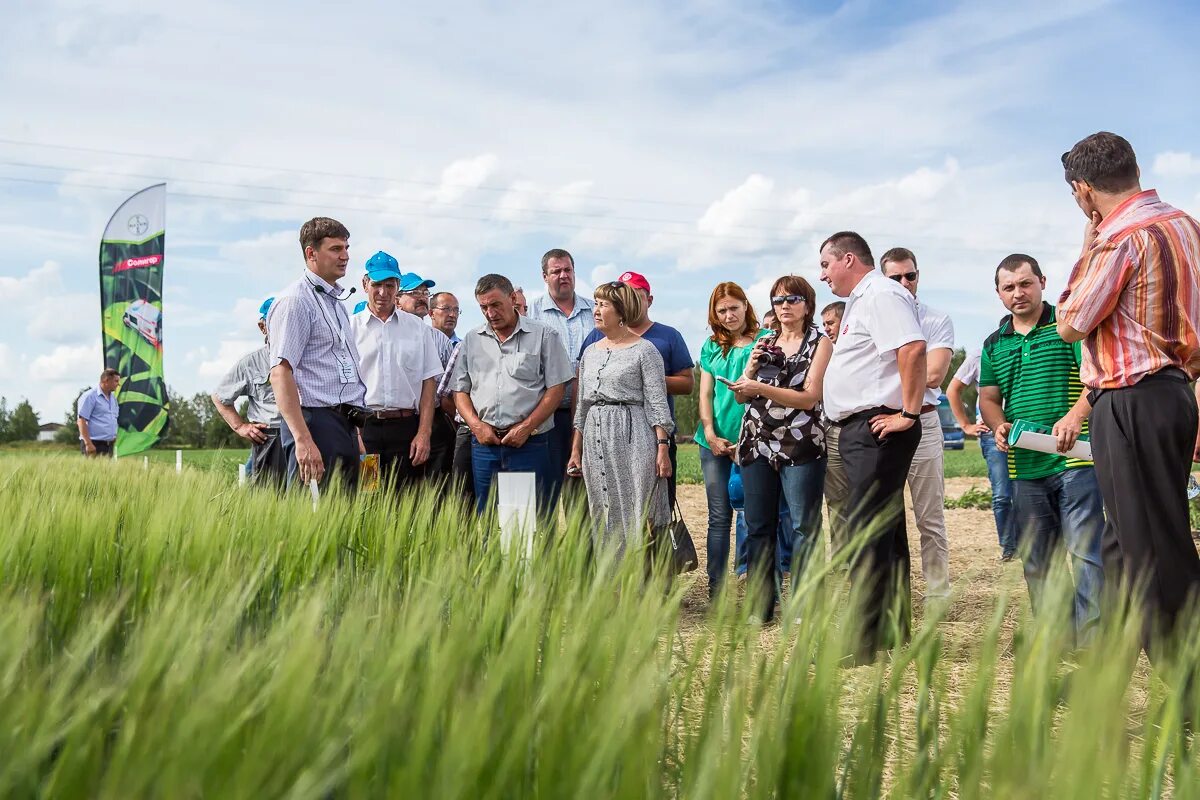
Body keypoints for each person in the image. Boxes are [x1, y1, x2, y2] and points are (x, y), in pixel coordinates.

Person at [1056, 131, 1200, 650]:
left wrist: (1085, 250)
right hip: (1174, 394)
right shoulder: (1187, 226)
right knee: (1123, 542)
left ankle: (1189, 689)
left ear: (1085, 191)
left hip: (1129, 400)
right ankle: (1105, 676)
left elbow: (1070, 323)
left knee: (1155, 550)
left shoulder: (1120, 240)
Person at [978, 254, 1104, 644]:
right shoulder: (994, 343)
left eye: (1025, 283)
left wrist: (1074, 418)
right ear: (999, 294)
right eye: (1009, 287)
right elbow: (988, 398)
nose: (1018, 293)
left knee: (1086, 556)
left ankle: (1094, 645)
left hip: (1077, 459)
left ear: (1042, 282)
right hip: (1024, 466)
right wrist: (998, 426)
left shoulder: (1068, 328)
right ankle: (1058, 639)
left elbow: (1096, 379)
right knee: (1039, 561)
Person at [820, 231, 927, 661]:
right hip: (862, 428)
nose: (823, 274)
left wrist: (910, 413)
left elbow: (913, 348)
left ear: (848, 259)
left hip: (878, 427)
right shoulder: (859, 301)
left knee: (865, 532)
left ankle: (862, 643)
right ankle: (892, 629)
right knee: (885, 532)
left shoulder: (881, 294)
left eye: (826, 264)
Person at [728, 276, 831, 623]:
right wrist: (751, 371)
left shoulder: (820, 343)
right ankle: (760, 607)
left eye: (793, 298)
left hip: (801, 443)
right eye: (778, 299)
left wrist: (758, 386)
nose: (784, 305)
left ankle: (803, 606)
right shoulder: (765, 341)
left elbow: (809, 397)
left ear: (808, 305)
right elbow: (743, 394)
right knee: (758, 525)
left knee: (803, 526)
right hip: (757, 441)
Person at [453, 274, 574, 516]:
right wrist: (476, 426)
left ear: (512, 299)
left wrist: (526, 428)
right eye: (483, 307)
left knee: (525, 524)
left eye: (495, 305)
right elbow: (460, 390)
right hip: (485, 445)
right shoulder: (472, 339)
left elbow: (556, 388)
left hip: (530, 444)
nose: (490, 313)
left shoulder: (544, 335)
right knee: (487, 519)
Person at [569, 281, 673, 558]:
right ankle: (611, 584)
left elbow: (657, 402)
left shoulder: (645, 350)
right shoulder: (590, 352)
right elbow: (582, 404)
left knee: (638, 507)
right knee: (602, 507)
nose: (596, 309)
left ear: (621, 310)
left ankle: (642, 584)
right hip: (595, 435)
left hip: (633, 433)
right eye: (595, 302)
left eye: (603, 304)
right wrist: (575, 448)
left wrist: (662, 447)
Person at [267, 217, 368, 490]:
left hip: (343, 422)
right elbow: (280, 373)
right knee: (312, 518)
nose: (345, 256)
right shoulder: (295, 301)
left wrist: (353, 432)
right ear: (311, 253)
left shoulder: (336, 302)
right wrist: (303, 439)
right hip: (313, 422)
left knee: (344, 515)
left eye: (347, 248)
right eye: (336, 249)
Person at [579, 271, 693, 506]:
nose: (598, 310)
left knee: (646, 505)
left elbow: (686, 384)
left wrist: (641, 381)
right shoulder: (594, 341)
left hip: (642, 431)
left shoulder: (664, 338)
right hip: (599, 434)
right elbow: (584, 393)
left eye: (635, 293)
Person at [880, 248, 954, 598]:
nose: (905, 282)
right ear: (884, 280)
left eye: (910, 275)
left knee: (930, 517)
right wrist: (911, 370)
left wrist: (885, 376)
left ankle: (938, 592)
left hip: (923, 421)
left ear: (918, 275)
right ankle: (895, 593)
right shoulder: (872, 317)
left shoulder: (936, 319)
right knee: (886, 517)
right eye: (895, 278)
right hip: (882, 424)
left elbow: (936, 375)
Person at [695, 282, 767, 597]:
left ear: (745, 305)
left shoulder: (765, 340)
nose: (728, 315)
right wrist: (709, 433)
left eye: (733, 308)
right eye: (721, 310)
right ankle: (715, 588)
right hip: (714, 440)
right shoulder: (712, 346)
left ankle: (754, 582)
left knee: (754, 513)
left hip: (752, 438)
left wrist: (746, 440)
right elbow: (706, 393)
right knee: (719, 515)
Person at [351, 251, 443, 493]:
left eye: (390, 285)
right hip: (365, 432)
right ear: (364, 284)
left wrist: (424, 433)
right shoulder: (349, 329)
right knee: (367, 499)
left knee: (406, 502)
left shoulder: (418, 330)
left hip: (406, 433)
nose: (383, 292)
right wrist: (355, 435)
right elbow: (344, 386)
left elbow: (429, 383)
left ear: (398, 286)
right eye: (377, 284)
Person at [527, 248, 596, 514]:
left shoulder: (595, 311)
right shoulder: (530, 313)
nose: (563, 276)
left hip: (587, 416)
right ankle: (545, 553)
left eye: (568, 270)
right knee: (544, 492)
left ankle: (579, 554)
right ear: (545, 276)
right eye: (556, 271)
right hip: (546, 415)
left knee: (580, 496)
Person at [947, 349, 1016, 561]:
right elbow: (953, 390)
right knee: (1002, 493)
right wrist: (965, 425)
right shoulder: (980, 355)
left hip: (1026, 429)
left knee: (1028, 489)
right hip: (991, 432)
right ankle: (1009, 548)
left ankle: (1033, 543)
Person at [211, 297, 286, 487]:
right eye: (276, 322)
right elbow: (220, 397)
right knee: (259, 497)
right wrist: (240, 427)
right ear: (263, 327)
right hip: (269, 439)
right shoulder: (251, 363)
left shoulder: (307, 356)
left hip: (305, 434)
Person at [396, 270, 456, 479]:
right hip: (391, 422)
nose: (422, 297)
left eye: (425, 292)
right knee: (379, 486)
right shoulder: (382, 335)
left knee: (434, 485)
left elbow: (453, 389)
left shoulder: (440, 340)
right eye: (414, 292)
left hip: (435, 422)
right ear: (397, 299)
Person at [820, 300, 851, 561]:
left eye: (831, 323)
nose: (826, 329)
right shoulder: (825, 354)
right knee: (836, 498)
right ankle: (841, 559)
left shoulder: (859, 352)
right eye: (824, 324)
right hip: (831, 430)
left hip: (858, 429)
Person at [77, 368, 120, 456]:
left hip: (109, 445)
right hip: (94, 444)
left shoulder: (113, 398)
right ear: (106, 380)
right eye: (116, 381)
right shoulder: (89, 396)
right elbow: (81, 421)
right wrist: (88, 444)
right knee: (92, 470)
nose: (118, 384)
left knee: (107, 470)